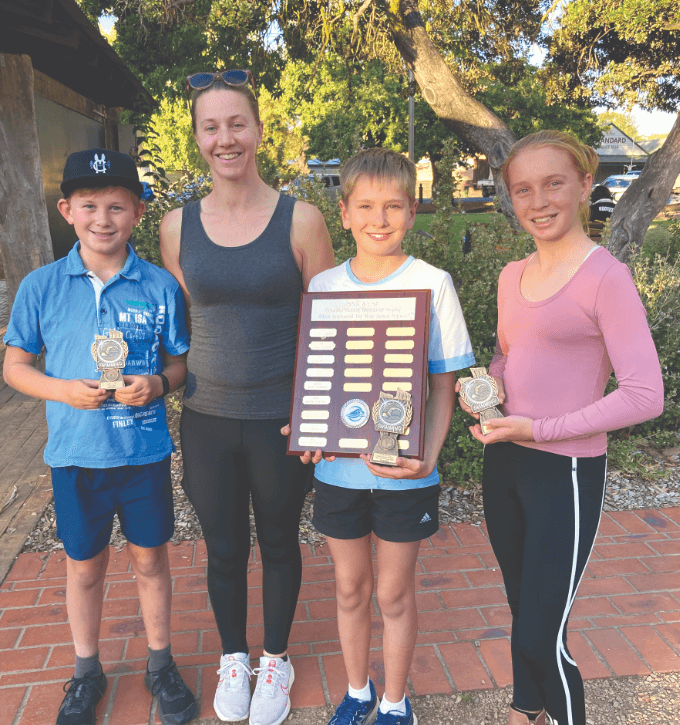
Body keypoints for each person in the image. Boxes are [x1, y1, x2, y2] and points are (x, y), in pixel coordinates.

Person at [456, 130, 664, 725]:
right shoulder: (509, 275)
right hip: (506, 464)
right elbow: (504, 356)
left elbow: (647, 395)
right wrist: (486, 397)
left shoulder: (606, 279)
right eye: (523, 189)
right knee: (525, 614)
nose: (539, 200)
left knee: (542, 635)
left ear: (583, 186)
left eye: (553, 183)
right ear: (510, 199)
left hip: (566, 473)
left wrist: (541, 428)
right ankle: (529, 712)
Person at [159, 70, 335, 725]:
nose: (225, 137)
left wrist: (317, 414)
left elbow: (329, 329)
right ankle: (235, 656)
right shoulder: (176, 226)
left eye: (237, 123)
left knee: (281, 540)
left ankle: (277, 658)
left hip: (279, 421)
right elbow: (178, 327)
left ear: (258, 131)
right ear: (199, 137)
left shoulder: (303, 220)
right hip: (206, 419)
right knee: (224, 546)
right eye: (212, 126)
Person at [3, 149, 197, 725]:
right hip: (75, 457)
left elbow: (180, 366)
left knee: (151, 561)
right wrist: (63, 391)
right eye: (89, 206)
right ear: (68, 210)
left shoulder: (159, 285)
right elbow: (14, 366)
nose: (103, 219)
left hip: (142, 455)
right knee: (83, 567)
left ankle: (159, 664)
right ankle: (87, 671)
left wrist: (158, 383)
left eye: (116, 206)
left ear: (137, 212)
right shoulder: (41, 287)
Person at [284, 147, 476, 725]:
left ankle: (395, 701)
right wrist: (308, 425)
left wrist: (429, 458)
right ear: (343, 213)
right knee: (349, 590)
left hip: (405, 474)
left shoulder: (433, 283)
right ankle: (358, 691)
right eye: (365, 205)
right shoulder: (323, 286)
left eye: (394, 205)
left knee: (393, 594)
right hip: (337, 472)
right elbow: (317, 377)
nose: (380, 218)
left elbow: (443, 386)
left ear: (412, 212)